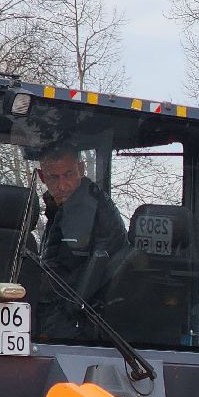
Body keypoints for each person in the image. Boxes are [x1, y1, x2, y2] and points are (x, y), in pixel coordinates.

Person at [35, 142, 127, 339]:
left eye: (68, 175)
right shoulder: (68, 207)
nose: (62, 185)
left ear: (81, 169)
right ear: (42, 177)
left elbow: (60, 285)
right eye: (53, 177)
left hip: (76, 327)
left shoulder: (84, 211)